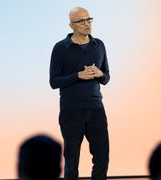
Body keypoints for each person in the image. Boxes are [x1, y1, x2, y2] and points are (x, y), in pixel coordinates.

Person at [50, 7, 110, 180]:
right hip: (71, 111)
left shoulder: (99, 45)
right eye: (81, 21)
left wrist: (100, 74)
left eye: (89, 19)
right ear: (71, 26)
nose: (87, 24)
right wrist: (78, 75)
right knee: (71, 161)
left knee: (102, 157)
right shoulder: (61, 48)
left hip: (96, 109)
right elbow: (54, 81)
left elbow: (106, 77)